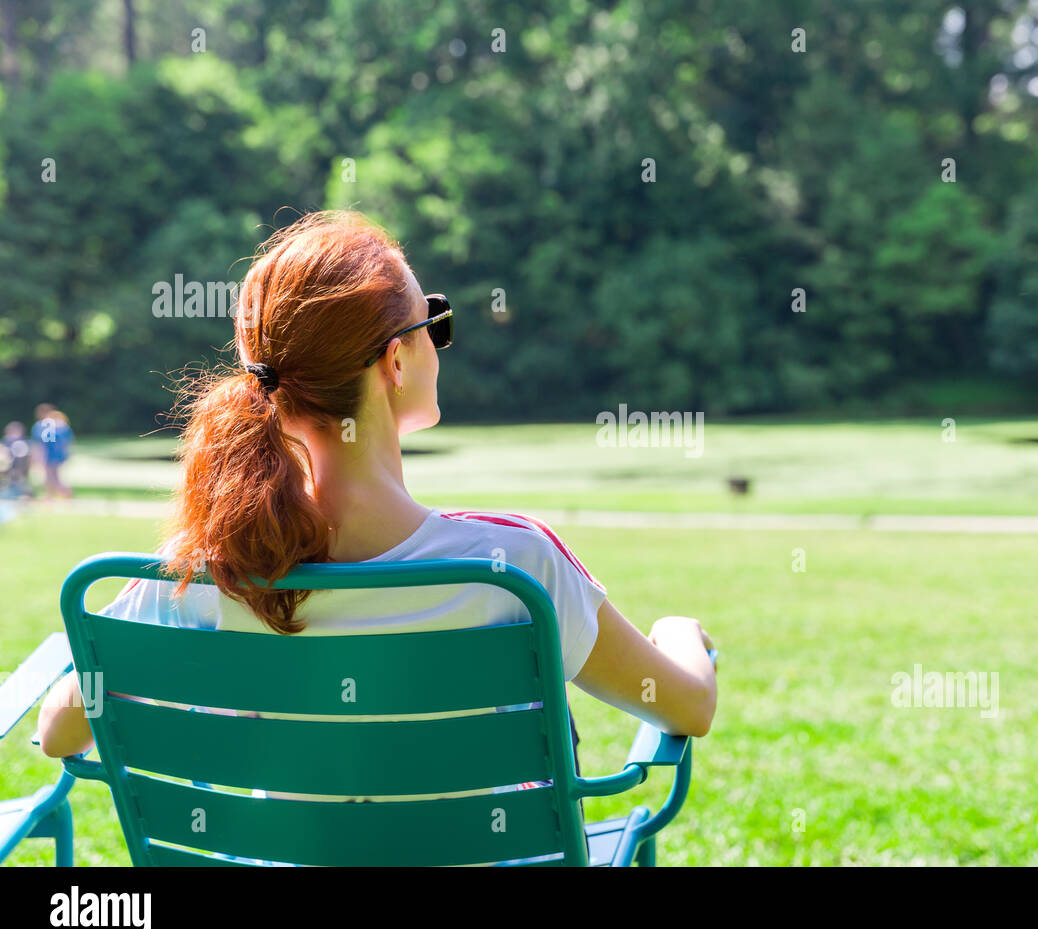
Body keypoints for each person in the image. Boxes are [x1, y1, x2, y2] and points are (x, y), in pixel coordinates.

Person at [36, 212, 717, 856]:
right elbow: (687, 706)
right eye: (436, 325)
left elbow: (58, 729)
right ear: (395, 361)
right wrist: (681, 632)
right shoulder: (512, 568)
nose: (440, 343)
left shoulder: (196, 576)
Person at [31, 403, 74, 498]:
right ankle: (50, 497)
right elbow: (68, 442)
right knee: (54, 477)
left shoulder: (40, 426)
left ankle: (62, 495)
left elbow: (40, 444)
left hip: (48, 455)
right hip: (59, 456)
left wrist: (37, 458)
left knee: (51, 478)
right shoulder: (62, 425)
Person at [1, 421, 33, 499]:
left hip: (19, 467)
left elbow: (26, 457)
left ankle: (25, 494)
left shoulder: (23, 442)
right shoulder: (6, 441)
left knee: (18, 479)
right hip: (8, 466)